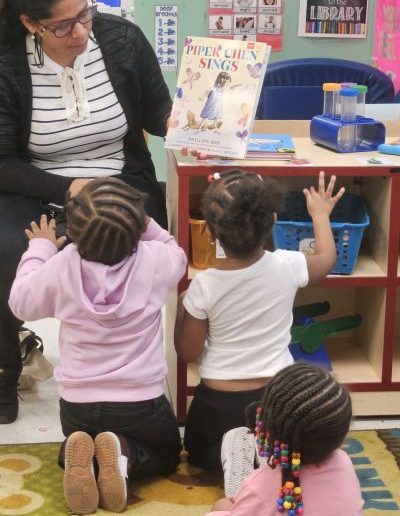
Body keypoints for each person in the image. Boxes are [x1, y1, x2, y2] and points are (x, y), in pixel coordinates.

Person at [0, 0, 172, 424]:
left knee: (139, 248)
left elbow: (162, 116)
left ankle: (132, 379)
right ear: (30, 23)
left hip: (121, 183)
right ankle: (6, 369)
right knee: (5, 248)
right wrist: (69, 187)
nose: (80, 31)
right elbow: (3, 162)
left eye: (85, 14)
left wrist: (213, 114)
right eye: (62, 26)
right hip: (38, 188)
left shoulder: (123, 40)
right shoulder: (7, 61)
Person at [8, 177, 187, 514]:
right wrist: (146, 223)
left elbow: (20, 303)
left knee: (78, 439)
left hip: (79, 406)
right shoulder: (155, 260)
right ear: (136, 224)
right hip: (140, 403)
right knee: (166, 455)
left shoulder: (62, 266)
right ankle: (122, 453)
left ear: (72, 232)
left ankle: (80, 455)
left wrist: (41, 249)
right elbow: (176, 251)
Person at [174, 170, 345, 471]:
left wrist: (182, 307)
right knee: (286, 445)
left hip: (217, 403)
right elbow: (327, 259)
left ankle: (230, 457)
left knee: (199, 450)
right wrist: (320, 214)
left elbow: (187, 352)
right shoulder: (287, 265)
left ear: (211, 234)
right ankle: (260, 456)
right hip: (274, 402)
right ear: (273, 221)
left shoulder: (205, 285)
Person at [206, 362, 364, 515]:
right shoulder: (344, 464)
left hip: (260, 495)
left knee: (220, 505)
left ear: (267, 424)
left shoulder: (259, 486)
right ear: (341, 435)